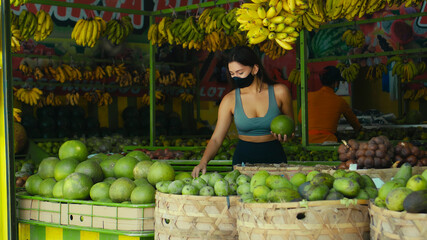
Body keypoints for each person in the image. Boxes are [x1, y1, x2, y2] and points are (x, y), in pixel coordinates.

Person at [192, 46, 294, 178]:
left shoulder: (280, 92)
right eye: (232, 74)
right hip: (243, 161)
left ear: (255, 69)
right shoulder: (230, 100)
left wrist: (287, 136)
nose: (236, 78)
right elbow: (216, 139)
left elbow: (291, 128)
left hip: (275, 158)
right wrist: (203, 162)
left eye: (240, 73)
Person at [298, 66, 361, 144]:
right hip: (329, 142)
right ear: (336, 83)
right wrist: (360, 131)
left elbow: (300, 119)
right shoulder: (340, 101)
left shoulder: (308, 96)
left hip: (307, 141)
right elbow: (354, 123)